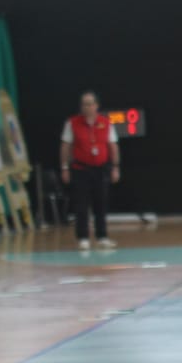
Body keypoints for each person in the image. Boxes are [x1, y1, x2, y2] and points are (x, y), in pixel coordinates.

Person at [60, 91, 119, 252]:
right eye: (84, 104)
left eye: (90, 104)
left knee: (101, 203)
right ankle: (83, 238)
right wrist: (65, 167)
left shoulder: (106, 123)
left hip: (101, 170)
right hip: (81, 170)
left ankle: (102, 237)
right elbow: (65, 146)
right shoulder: (72, 123)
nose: (87, 107)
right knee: (81, 204)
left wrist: (115, 167)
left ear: (96, 106)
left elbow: (113, 146)